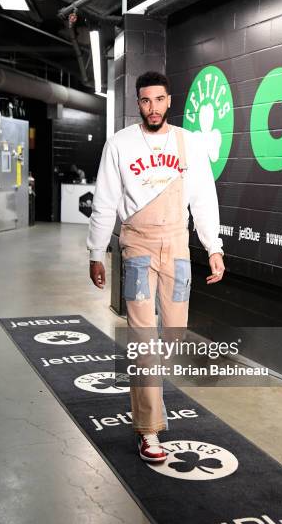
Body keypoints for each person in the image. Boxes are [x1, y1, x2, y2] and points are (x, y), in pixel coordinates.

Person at [87, 71, 225, 462]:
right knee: (144, 339)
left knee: (176, 331)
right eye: (146, 101)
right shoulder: (120, 145)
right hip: (137, 251)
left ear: (169, 101)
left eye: (159, 100)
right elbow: (105, 201)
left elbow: (203, 199)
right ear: (138, 103)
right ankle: (149, 430)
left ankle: (150, 383)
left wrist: (212, 247)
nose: (153, 108)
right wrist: (96, 252)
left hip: (178, 250)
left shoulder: (189, 143)